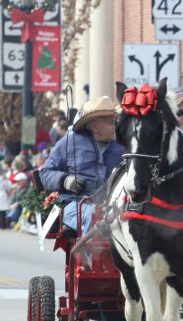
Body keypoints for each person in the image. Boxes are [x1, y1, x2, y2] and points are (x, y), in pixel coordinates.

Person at [39, 96, 124, 233]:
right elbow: (45, 173)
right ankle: (91, 255)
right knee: (92, 216)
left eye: (115, 122)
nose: (115, 127)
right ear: (95, 126)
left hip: (113, 205)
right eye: (110, 123)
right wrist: (65, 180)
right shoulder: (68, 143)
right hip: (75, 203)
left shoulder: (122, 146)